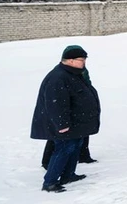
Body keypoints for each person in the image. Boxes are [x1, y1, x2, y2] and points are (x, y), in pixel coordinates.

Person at [30, 45, 101, 192]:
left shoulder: (74, 73)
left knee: (75, 146)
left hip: (76, 122)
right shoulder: (58, 77)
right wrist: (62, 124)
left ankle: (68, 175)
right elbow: (55, 104)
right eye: (81, 59)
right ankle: (49, 182)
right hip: (64, 124)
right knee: (64, 149)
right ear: (70, 60)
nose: (84, 62)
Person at [41, 64, 98, 169]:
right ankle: (47, 161)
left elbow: (87, 83)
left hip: (81, 106)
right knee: (58, 137)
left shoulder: (82, 70)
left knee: (83, 133)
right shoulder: (61, 74)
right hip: (71, 108)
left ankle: (83, 155)